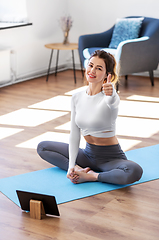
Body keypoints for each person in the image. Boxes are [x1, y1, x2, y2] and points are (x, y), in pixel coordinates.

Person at [37, 50, 143, 185]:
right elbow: (74, 133)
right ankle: (80, 171)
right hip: (87, 155)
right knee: (43, 147)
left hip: (110, 158)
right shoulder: (76, 97)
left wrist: (111, 94)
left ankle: (91, 176)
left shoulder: (110, 96)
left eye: (99, 68)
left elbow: (113, 103)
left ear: (107, 75)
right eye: (90, 65)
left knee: (134, 170)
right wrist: (71, 167)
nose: (92, 70)